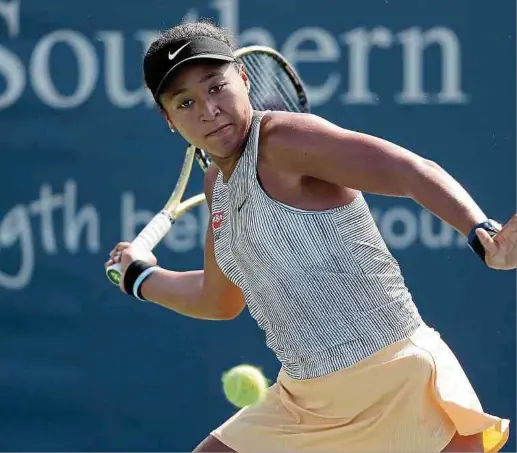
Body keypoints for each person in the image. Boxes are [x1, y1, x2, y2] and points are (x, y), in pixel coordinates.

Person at [105, 20, 515, 453]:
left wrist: (480, 231)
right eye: (186, 102)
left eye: (216, 87)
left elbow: (408, 171)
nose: (208, 110)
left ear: (243, 79)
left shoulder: (284, 140)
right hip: (304, 406)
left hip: (399, 383)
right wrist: (140, 278)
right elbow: (218, 298)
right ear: (169, 120)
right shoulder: (216, 187)